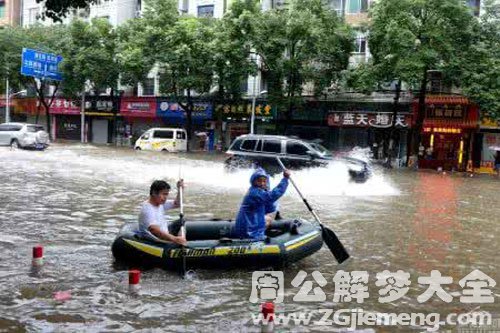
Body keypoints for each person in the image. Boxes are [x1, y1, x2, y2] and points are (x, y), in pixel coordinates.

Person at [234, 168, 291, 240]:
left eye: (264, 181)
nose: (262, 183)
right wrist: (285, 179)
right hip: (248, 230)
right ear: (253, 181)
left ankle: (261, 234)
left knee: (268, 218)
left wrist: (267, 189)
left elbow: (270, 208)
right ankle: (256, 238)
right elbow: (274, 195)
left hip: (250, 223)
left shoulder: (259, 191)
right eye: (259, 181)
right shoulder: (255, 193)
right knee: (267, 218)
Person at [138, 180, 187, 246]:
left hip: (164, 233)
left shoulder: (159, 203)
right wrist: (174, 239)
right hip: (157, 240)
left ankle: (181, 241)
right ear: (154, 193)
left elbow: (177, 204)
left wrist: (180, 189)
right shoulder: (147, 209)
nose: (166, 197)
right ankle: (179, 245)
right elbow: (154, 230)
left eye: (167, 194)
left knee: (181, 222)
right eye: (164, 194)